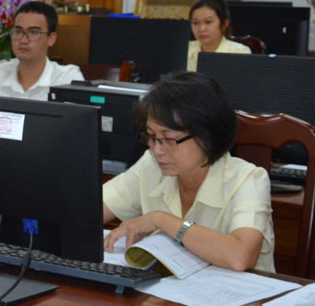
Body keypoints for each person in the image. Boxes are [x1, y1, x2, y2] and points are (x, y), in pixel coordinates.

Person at [103, 71, 274, 272]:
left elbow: (240, 257)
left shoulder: (248, 180)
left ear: (207, 136)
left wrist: (159, 220)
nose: (157, 150)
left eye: (169, 139)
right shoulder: (151, 165)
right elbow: (91, 210)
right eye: (152, 136)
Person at [0, 0, 82, 101]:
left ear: (51, 38)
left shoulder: (66, 79)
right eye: (18, 31)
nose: (23, 40)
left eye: (33, 32)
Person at [185, 0, 249, 72]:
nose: (201, 29)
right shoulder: (184, 50)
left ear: (225, 23)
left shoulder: (240, 52)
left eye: (208, 22)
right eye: (195, 23)